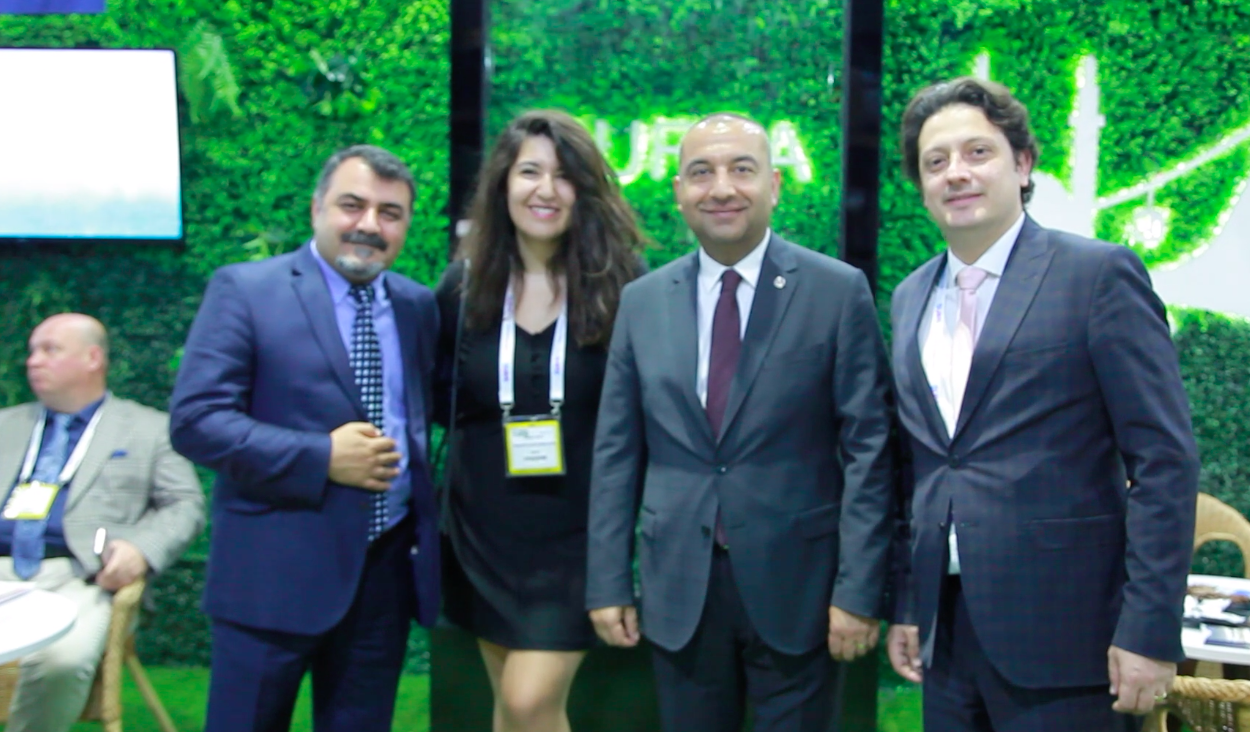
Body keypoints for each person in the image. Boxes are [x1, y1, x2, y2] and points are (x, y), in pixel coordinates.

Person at [885, 77, 1201, 731]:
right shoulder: (910, 297)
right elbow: (920, 468)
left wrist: (1149, 629)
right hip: (947, 635)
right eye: (935, 161)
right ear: (920, 184)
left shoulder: (1097, 275)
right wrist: (909, 605)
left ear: (1023, 164)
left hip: (1069, 637)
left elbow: (1164, 462)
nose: (956, 173)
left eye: (978, 152)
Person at [586, 113, 896, 732]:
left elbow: (871, 448)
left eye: (742, 169)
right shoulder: (642, 301)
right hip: (680, 587)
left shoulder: (836, 292)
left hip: (801, 589)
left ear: (774, 185)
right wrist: (608, 581)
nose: (721, 188)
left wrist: (859, 589)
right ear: (679, 191)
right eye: (701, 172)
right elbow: (616, 451)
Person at [169, 144, 440, 732]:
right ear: (317, 208)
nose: (369, 225)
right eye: (352, 205)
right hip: (270, 578)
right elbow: (196, 421)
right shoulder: (247, 290)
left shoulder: (417, 306)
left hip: (382, 578)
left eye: (390, 213)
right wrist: (322, 457)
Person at [435, 109, 647, 732]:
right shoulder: (464, 285)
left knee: (530, 703)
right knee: (511, 710)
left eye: (564, 175)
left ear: (586, 189)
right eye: (529, 172)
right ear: (503, 183)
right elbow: (441, 397)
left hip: (577, 542)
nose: (545, 189)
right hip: (480, 536)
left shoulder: (625, 288)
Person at [0, 313, 204, 732]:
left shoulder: (149, 429)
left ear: (93, 358)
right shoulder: (7, 424)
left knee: (61, 661)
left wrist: (141, 550)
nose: (33, 361)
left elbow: (185, 505)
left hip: (81, 577)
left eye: (49, 350)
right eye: (32, 351)